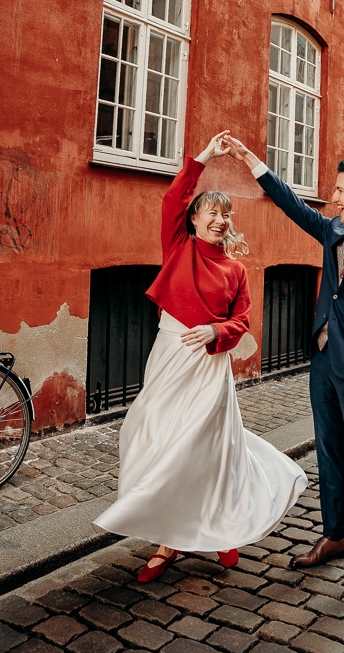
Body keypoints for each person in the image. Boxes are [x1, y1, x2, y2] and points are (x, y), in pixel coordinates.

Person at [94, 132, 307, 581]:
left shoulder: (235, 270)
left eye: (225, 214)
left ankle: (216, 531)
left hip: (209, 365)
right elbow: (173, 197)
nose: (220, 220)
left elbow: (243, 322)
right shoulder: (178, 247)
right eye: (212, 212)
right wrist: (207, 155)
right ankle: (172, 536)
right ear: (193, 220)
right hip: (170, 355)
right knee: (154, 436)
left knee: (206, 447)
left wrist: (215, 330)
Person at [227, 136, 344, 594]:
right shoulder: (333, 231)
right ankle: (335, 536)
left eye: (339, 190)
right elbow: (293, 206)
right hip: (323, 362)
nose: (332, 197)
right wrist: (254, 161)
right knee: (329, 452)